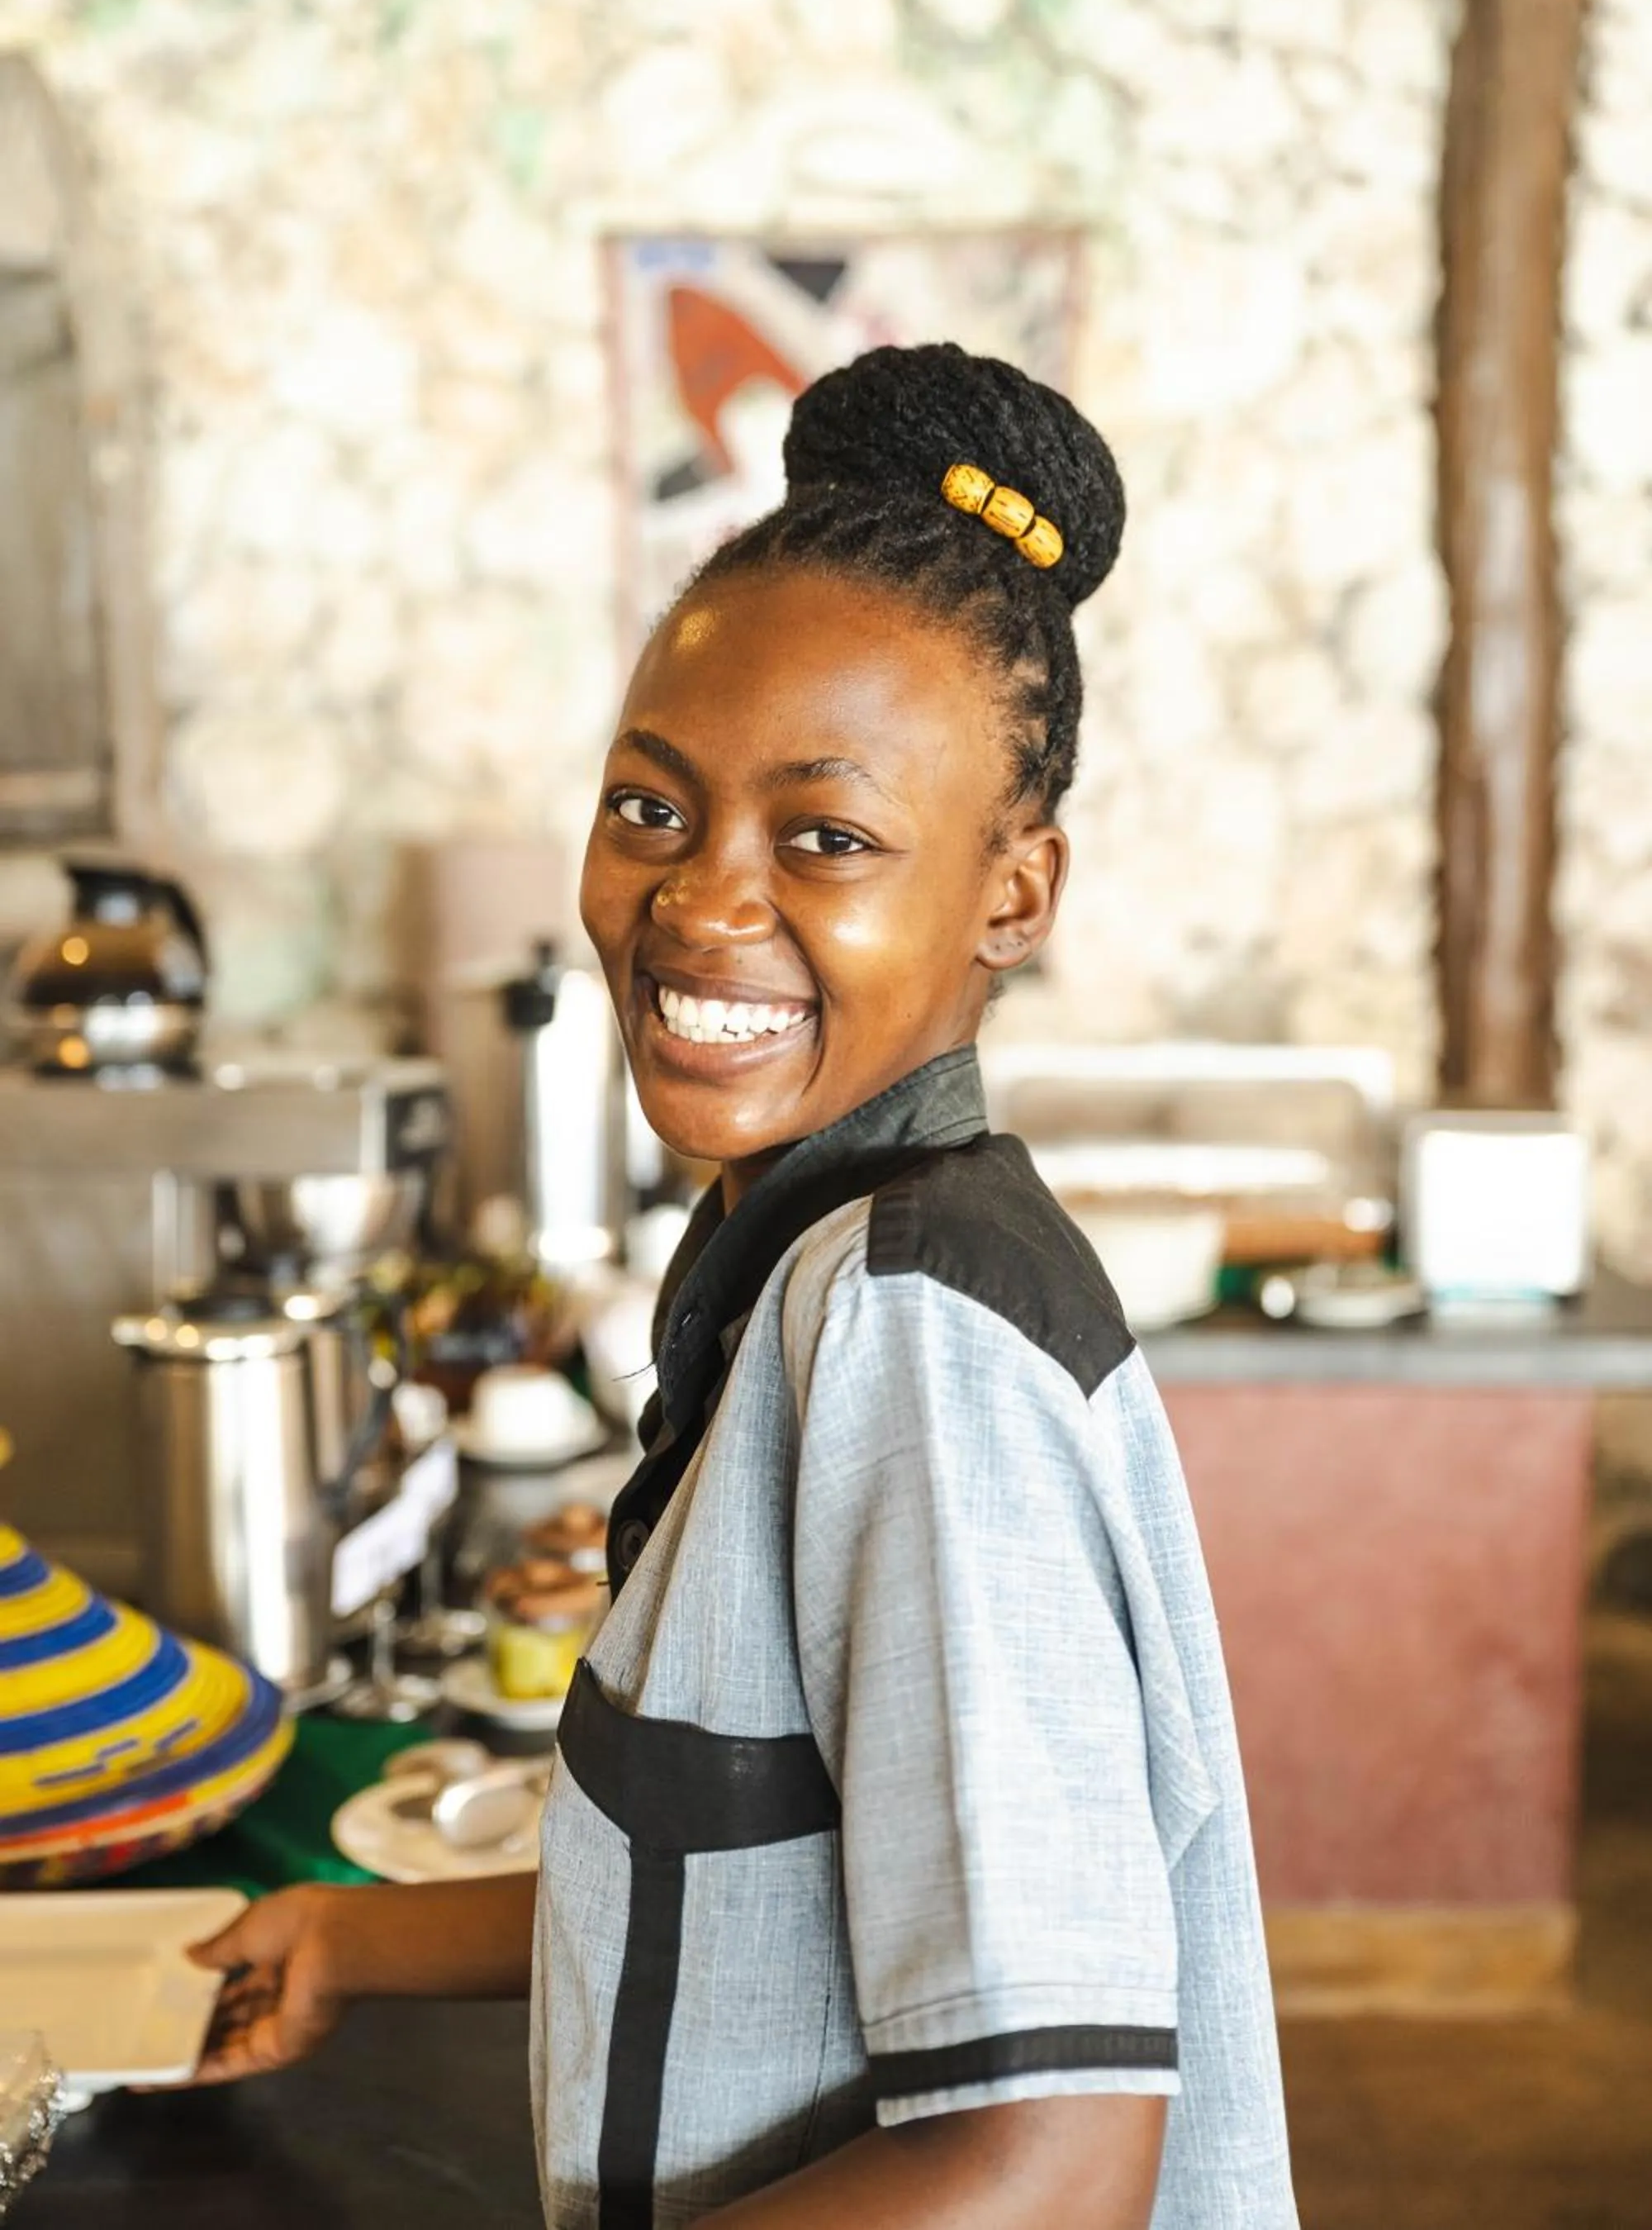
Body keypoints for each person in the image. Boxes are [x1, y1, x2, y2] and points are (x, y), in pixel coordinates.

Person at [191, 343, 1298, 2230]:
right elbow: (757, 1883)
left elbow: (1051, 2165)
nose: (700, 900)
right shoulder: (797, 1257)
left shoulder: (915, 1336)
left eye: (827, 837)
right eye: (651, 808)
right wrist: (357, 1941)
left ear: (1013, 897)